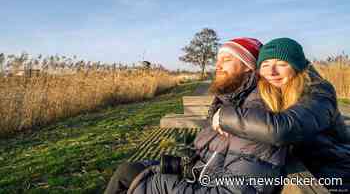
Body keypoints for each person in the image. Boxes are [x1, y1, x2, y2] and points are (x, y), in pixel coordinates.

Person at [105, 37, 291, 194]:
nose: (217, 65)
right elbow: (211, 160)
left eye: (226, 59)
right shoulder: (229, 103)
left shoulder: (257, 114)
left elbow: (235, 188)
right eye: (217, 60)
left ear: (248, 67)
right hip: (201, 177)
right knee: (128, 171)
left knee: (135, 180)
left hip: (210, 187)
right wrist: (179, 164)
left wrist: (157, 183)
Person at [215, 37, 350, 191]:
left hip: (333, 170)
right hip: (298, 168)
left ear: (297, 66)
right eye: (265, 65)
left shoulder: (318, 90)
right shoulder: (270, 89)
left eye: (281, 64)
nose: (272, 72)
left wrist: (224, 116)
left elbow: (284, 129)